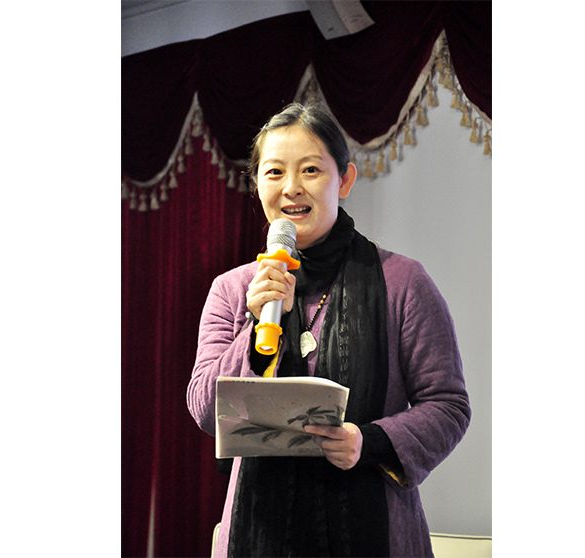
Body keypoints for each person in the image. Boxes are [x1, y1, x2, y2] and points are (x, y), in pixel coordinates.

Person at [187, 102, 471, 557]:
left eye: (311, 170)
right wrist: (257, 322)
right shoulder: (233, 289)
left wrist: (368, 441)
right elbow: (205, 409)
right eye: (274, 172)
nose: (291, 188)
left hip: (373, 527)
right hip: (258, 531)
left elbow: (448, 405)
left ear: (345, 180)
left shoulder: (403, 282)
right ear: (257, 184)